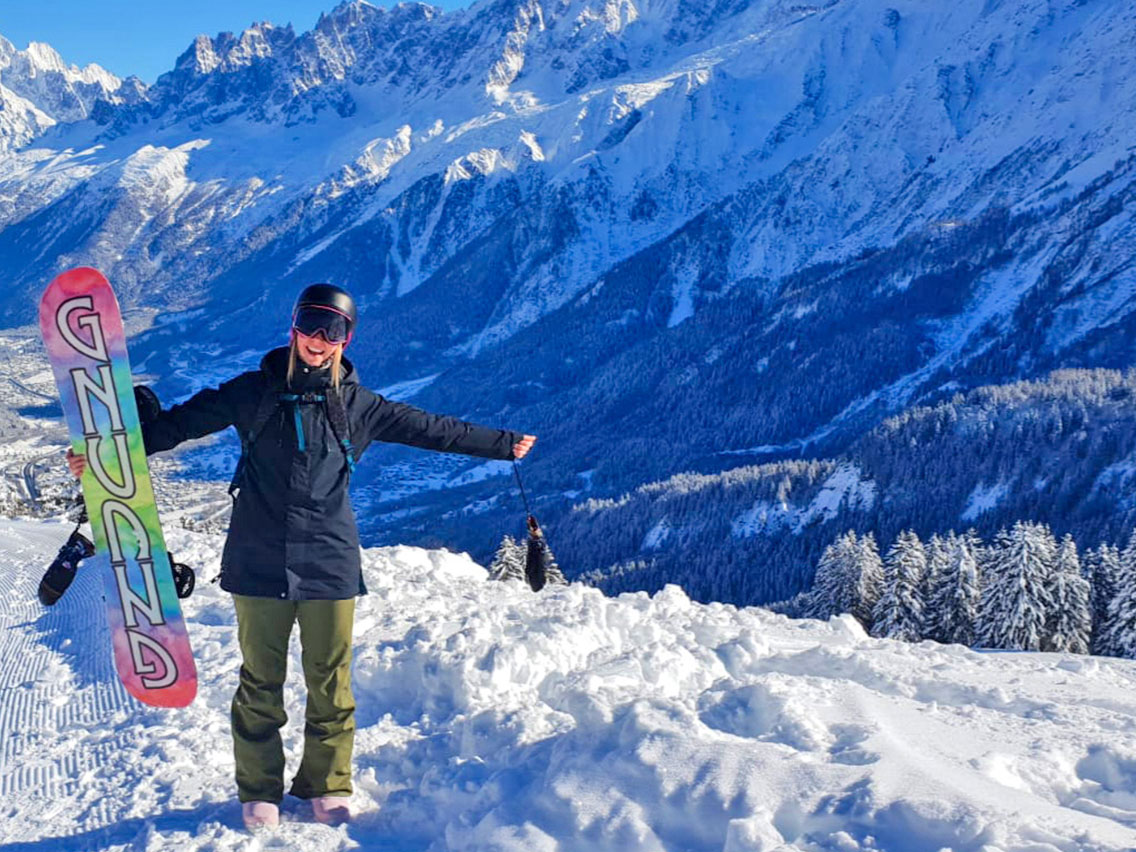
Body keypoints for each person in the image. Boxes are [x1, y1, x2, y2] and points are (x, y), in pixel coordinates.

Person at [66, 283, 536, 830]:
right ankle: (258, 788)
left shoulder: (361, 407)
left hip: (330, 559)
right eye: (311, 325)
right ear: (293, 327)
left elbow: (435, 431)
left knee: (330, 681)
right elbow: (177, 425)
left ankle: (327, 783)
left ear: (346, 338)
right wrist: (107, 456)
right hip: (257, 555)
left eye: (332, 330)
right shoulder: (251, 392)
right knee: (259, 680)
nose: (319, 340)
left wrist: (503, 443)